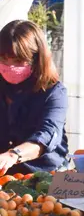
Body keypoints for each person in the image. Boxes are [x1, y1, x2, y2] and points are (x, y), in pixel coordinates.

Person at [0, 19, 67, 176]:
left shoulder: (54, 92)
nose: (9, 66)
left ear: (37, 59)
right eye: (3, 59)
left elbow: (48, 134)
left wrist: (13, 155)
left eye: (18, 60)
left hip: (45, 177)